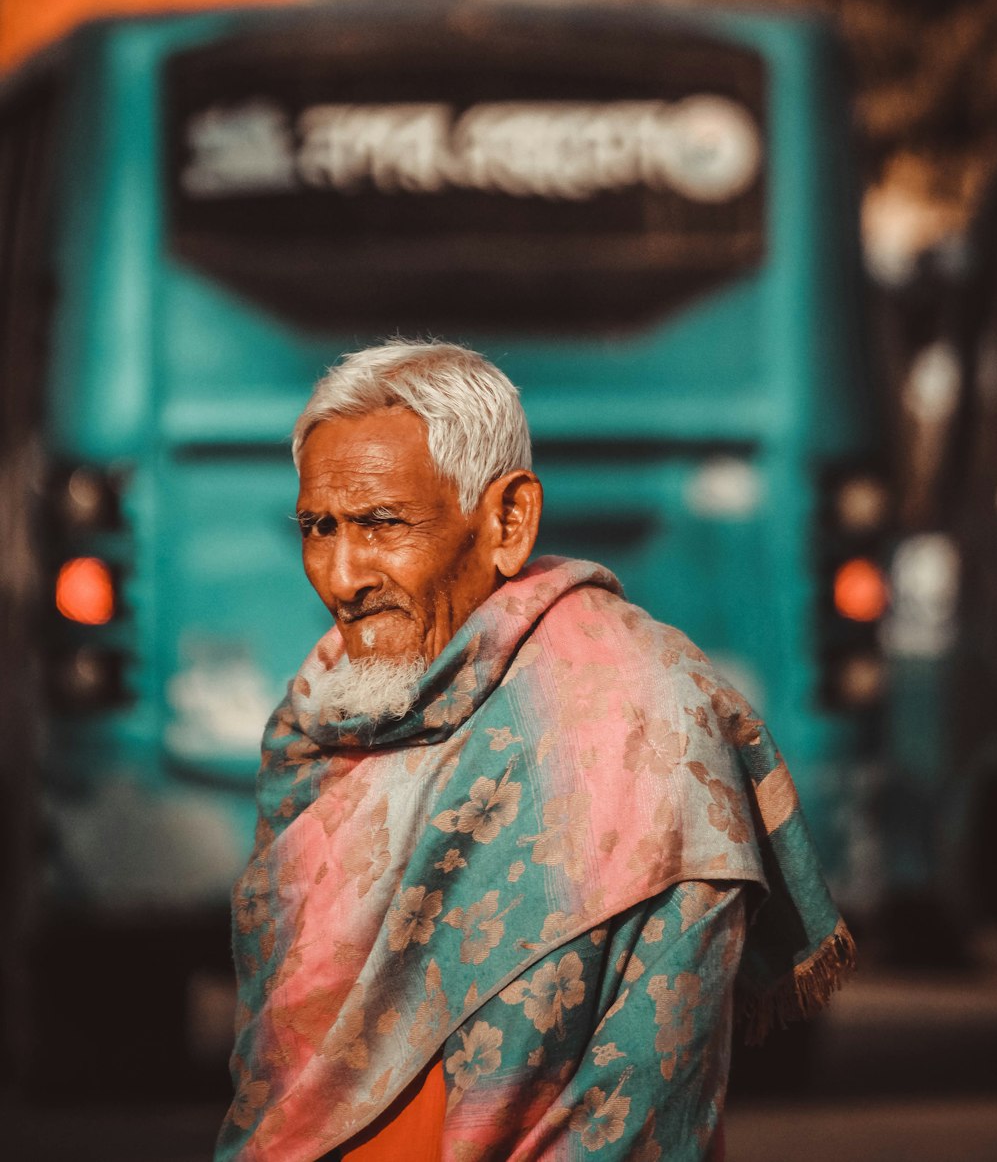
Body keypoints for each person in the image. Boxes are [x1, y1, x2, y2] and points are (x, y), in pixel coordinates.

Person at [217, 340, 854, 1162]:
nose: (342, 576)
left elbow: (638, 1102)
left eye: (381, 524)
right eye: (319, 526)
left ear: (507, 522)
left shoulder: (640, 720)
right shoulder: (317, 715)